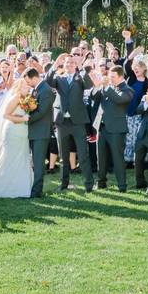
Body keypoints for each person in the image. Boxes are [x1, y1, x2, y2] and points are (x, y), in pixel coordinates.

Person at [46, 51, 95, 193]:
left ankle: (88, 185)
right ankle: (63, 184)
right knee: (63, 156)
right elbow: (48, 81)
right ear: (64, 64)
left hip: (78, 122)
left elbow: (89, 85)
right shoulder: (58, 78)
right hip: (62, 122)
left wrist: (81, 66)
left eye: (72, 63)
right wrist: (55, 65)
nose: (69, 64)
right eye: (67, 62)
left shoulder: (80, 78)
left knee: (83, 154)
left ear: (75, 65)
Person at [89, 66, 134, 192]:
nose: (111, 79)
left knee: (118, 158)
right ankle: (101, 182)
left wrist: (107, 86)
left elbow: (119, 99)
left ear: (121, 76)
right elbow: (94, 97)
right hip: (102, 128)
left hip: (116, 130)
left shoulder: (127, 89)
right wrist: (97, 86)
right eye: (110, 77)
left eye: (113, 77)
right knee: (101, 157)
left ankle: (122, 186)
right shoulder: (107, 87)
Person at [23, 67, 54, 198]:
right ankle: (32, 187)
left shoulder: (46, 90)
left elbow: (41, 112)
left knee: (38, 162)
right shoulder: (37, 89)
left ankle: (37, 191)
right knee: (34, 161)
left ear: (34, 78)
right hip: (34, 131)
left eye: (28, 81)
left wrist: (26, 120)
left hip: (41, 132)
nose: (28, 84)